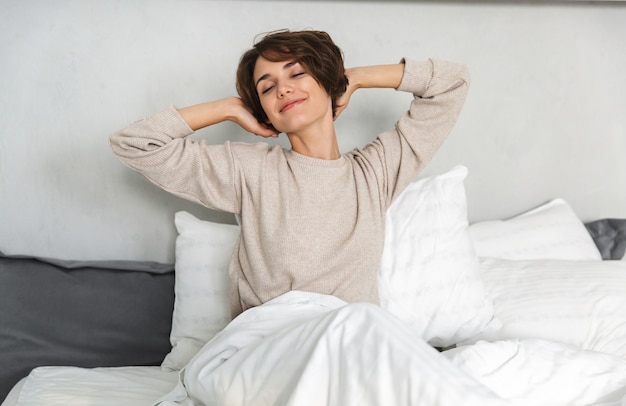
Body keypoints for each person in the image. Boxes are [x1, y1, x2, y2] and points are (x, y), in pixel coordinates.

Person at [110, 29, 470, 319]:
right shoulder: (250, 170)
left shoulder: (375, 172)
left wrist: (355, 78)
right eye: (266, 87)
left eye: (297, 72)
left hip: (351, 343)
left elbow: (451, 83)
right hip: (270, 344)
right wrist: (227, 108)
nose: (282, 88)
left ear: (328, 83)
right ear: (263, 110)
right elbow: (134, 144)